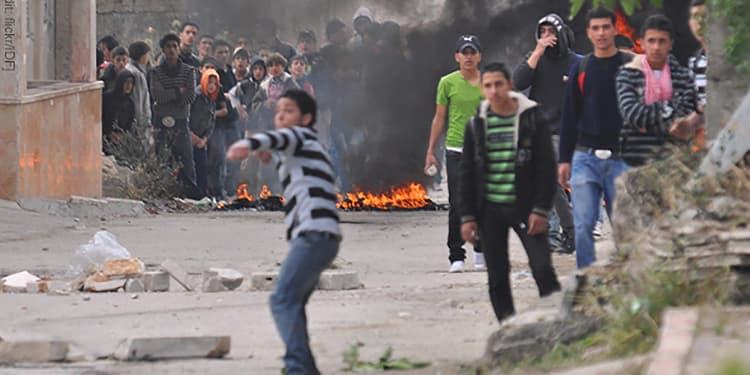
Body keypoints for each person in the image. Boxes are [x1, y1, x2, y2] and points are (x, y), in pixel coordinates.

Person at [226, 90, 340, 375]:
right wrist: (268, 152)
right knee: (294, 301)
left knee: (282, 299)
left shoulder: (302, 137)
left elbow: (279, 138)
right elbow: (280, 146)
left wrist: (248, 144)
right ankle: (305, 368)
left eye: (288, 111)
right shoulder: (307, 145)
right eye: (278, 111)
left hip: (313, 234)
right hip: (321, 236)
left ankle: (297, 368)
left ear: (306, 118)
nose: (280, 116)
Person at [459, 62, 561, 322]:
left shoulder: (531, 119)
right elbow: (467, 173)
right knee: (497, 276)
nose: (494, 91)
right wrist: (468, 216)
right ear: (482, 89)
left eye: (499, 84)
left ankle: (557, 322)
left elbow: (547, 167)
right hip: (490, 209)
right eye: (488, 86)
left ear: (509, 85)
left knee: (542, 269)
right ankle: (508, 328)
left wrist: (541, 209)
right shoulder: (476, 125)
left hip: (526, 207)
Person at [559, 7, 633, 269]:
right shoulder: (581, 68)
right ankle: (586, 284)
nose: (601, 33)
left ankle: (627, 281)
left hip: (622, 159)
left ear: (615, 29)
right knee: (583, 226)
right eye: (596, 28)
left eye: (605, 27)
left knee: (626, 228)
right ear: (589, 33)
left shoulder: (630, 66)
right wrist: (564, 160)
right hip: (585, 157)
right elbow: (569, 117)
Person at [512, 13, 580, 255]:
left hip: (562, 131)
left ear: (561, 33)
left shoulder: (575, 62)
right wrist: (538, 51)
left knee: (552, 181)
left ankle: (567, 231)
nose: (547, 37)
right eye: (543, 32)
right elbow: (518, 81)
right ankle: (568, 233)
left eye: (551, 32)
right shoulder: (535, 59)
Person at [424, 35, 485, 273]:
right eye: (464, 52)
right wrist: (430, 151)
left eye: (472, 52)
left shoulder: (488, 82)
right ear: (457, 56)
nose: (468, 57)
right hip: (456, 149)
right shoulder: (447, 83)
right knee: (458, 203)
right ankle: (456, 254)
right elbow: (440, 118)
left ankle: (480, 250)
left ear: (479, 56)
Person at [616, 15, 698, 167]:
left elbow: (687, 115)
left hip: (674, 160)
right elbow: (634, 115)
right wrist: (669, 108)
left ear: (671, 44)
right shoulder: (628, 75)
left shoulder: (683, 77)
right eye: (651, 41)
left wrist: (649, 120)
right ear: (642, 43)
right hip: (633, 160)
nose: (656, 47)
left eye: (662, 41)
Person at [150, 33, 198, 195]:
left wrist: (170, 94)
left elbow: (190, 96)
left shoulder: (188, 71)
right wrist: (178, 91)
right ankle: (162, 192)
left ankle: (191, 193)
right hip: (161, 123)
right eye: (168, 46)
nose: (171, 50)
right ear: (163, 50)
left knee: (186, 160)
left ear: (179, 49)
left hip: (181, 121)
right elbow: (157, 95)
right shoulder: (156, 72)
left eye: (174, 46)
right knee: (162, 159)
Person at [191, 66, 226, 197]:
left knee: (203, 168)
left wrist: (205, 138)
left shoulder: (211, 99)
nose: (212, 86)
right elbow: (186, 116)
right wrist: (192, 136)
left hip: (201, 139)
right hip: (189, 137)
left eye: (215, 83)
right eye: (209, 82)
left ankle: (202, 195)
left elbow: (211, 122)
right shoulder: (195, 96)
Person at [687, 0, 708, 151]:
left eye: (705, 16)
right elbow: (700, 106)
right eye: (696, 16)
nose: (700, 23)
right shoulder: (695, 61)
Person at [102, 70, 136, 151]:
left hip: (121, 143)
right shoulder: (107, 98)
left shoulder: (130, 103)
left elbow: (130, 123)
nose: (128, 86)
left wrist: (123, 135)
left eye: (131, 83)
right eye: (126, 82)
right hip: (105, 139)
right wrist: (109, 132)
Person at [125, 41, 152, 132]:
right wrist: (141, 124)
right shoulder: (136, 74)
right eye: (147, 55)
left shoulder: (129, 68)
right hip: (138, 124)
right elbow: (138, 101)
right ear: (143, 56)